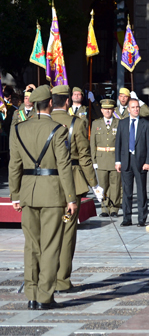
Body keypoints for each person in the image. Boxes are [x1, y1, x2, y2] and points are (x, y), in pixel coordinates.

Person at [9, 85, 76, 310]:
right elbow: (64, 166)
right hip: (53, 194)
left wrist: (15, 194)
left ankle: (31, 294)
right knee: (50, 246)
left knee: (31, 246)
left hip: (28, 192)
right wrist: (71, 198)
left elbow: (14, 164)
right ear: (49, 103)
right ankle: (45, 296)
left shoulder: (19, 129)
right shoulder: (57, 129)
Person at [50, 85, 101, 294]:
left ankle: (44, 278)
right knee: (67, 232)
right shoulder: (76, 123)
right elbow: (85, 157)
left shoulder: (37, 122)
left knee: (48, 232)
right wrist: (94, 184)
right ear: (68, 101)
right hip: (71, 181)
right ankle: (62, 280)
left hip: (46, 184)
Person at [115, 98, 149, 226]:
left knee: (142, 190)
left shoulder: (146, 124)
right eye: (133, 107)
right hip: (126, 161)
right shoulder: (122, 123)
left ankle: (142, 218)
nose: (136, 109)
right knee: (127, 191)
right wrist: (117, 161)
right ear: (128, 109)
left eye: (137, 107)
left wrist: (148, 161)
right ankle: (127, 218)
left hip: (140, 161)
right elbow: (118, 144)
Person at [91, 99, 121, 217]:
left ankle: (114, 208)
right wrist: (94, 160)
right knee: (102, 185)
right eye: (105, 109)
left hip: (115, 158)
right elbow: (92, 143)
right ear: (102, 110)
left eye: (110, 109)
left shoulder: (119, 123)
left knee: (115, 185)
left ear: (113, 110)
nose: (107, 111)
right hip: (101, 158)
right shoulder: (96, 124)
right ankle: (104, 208)